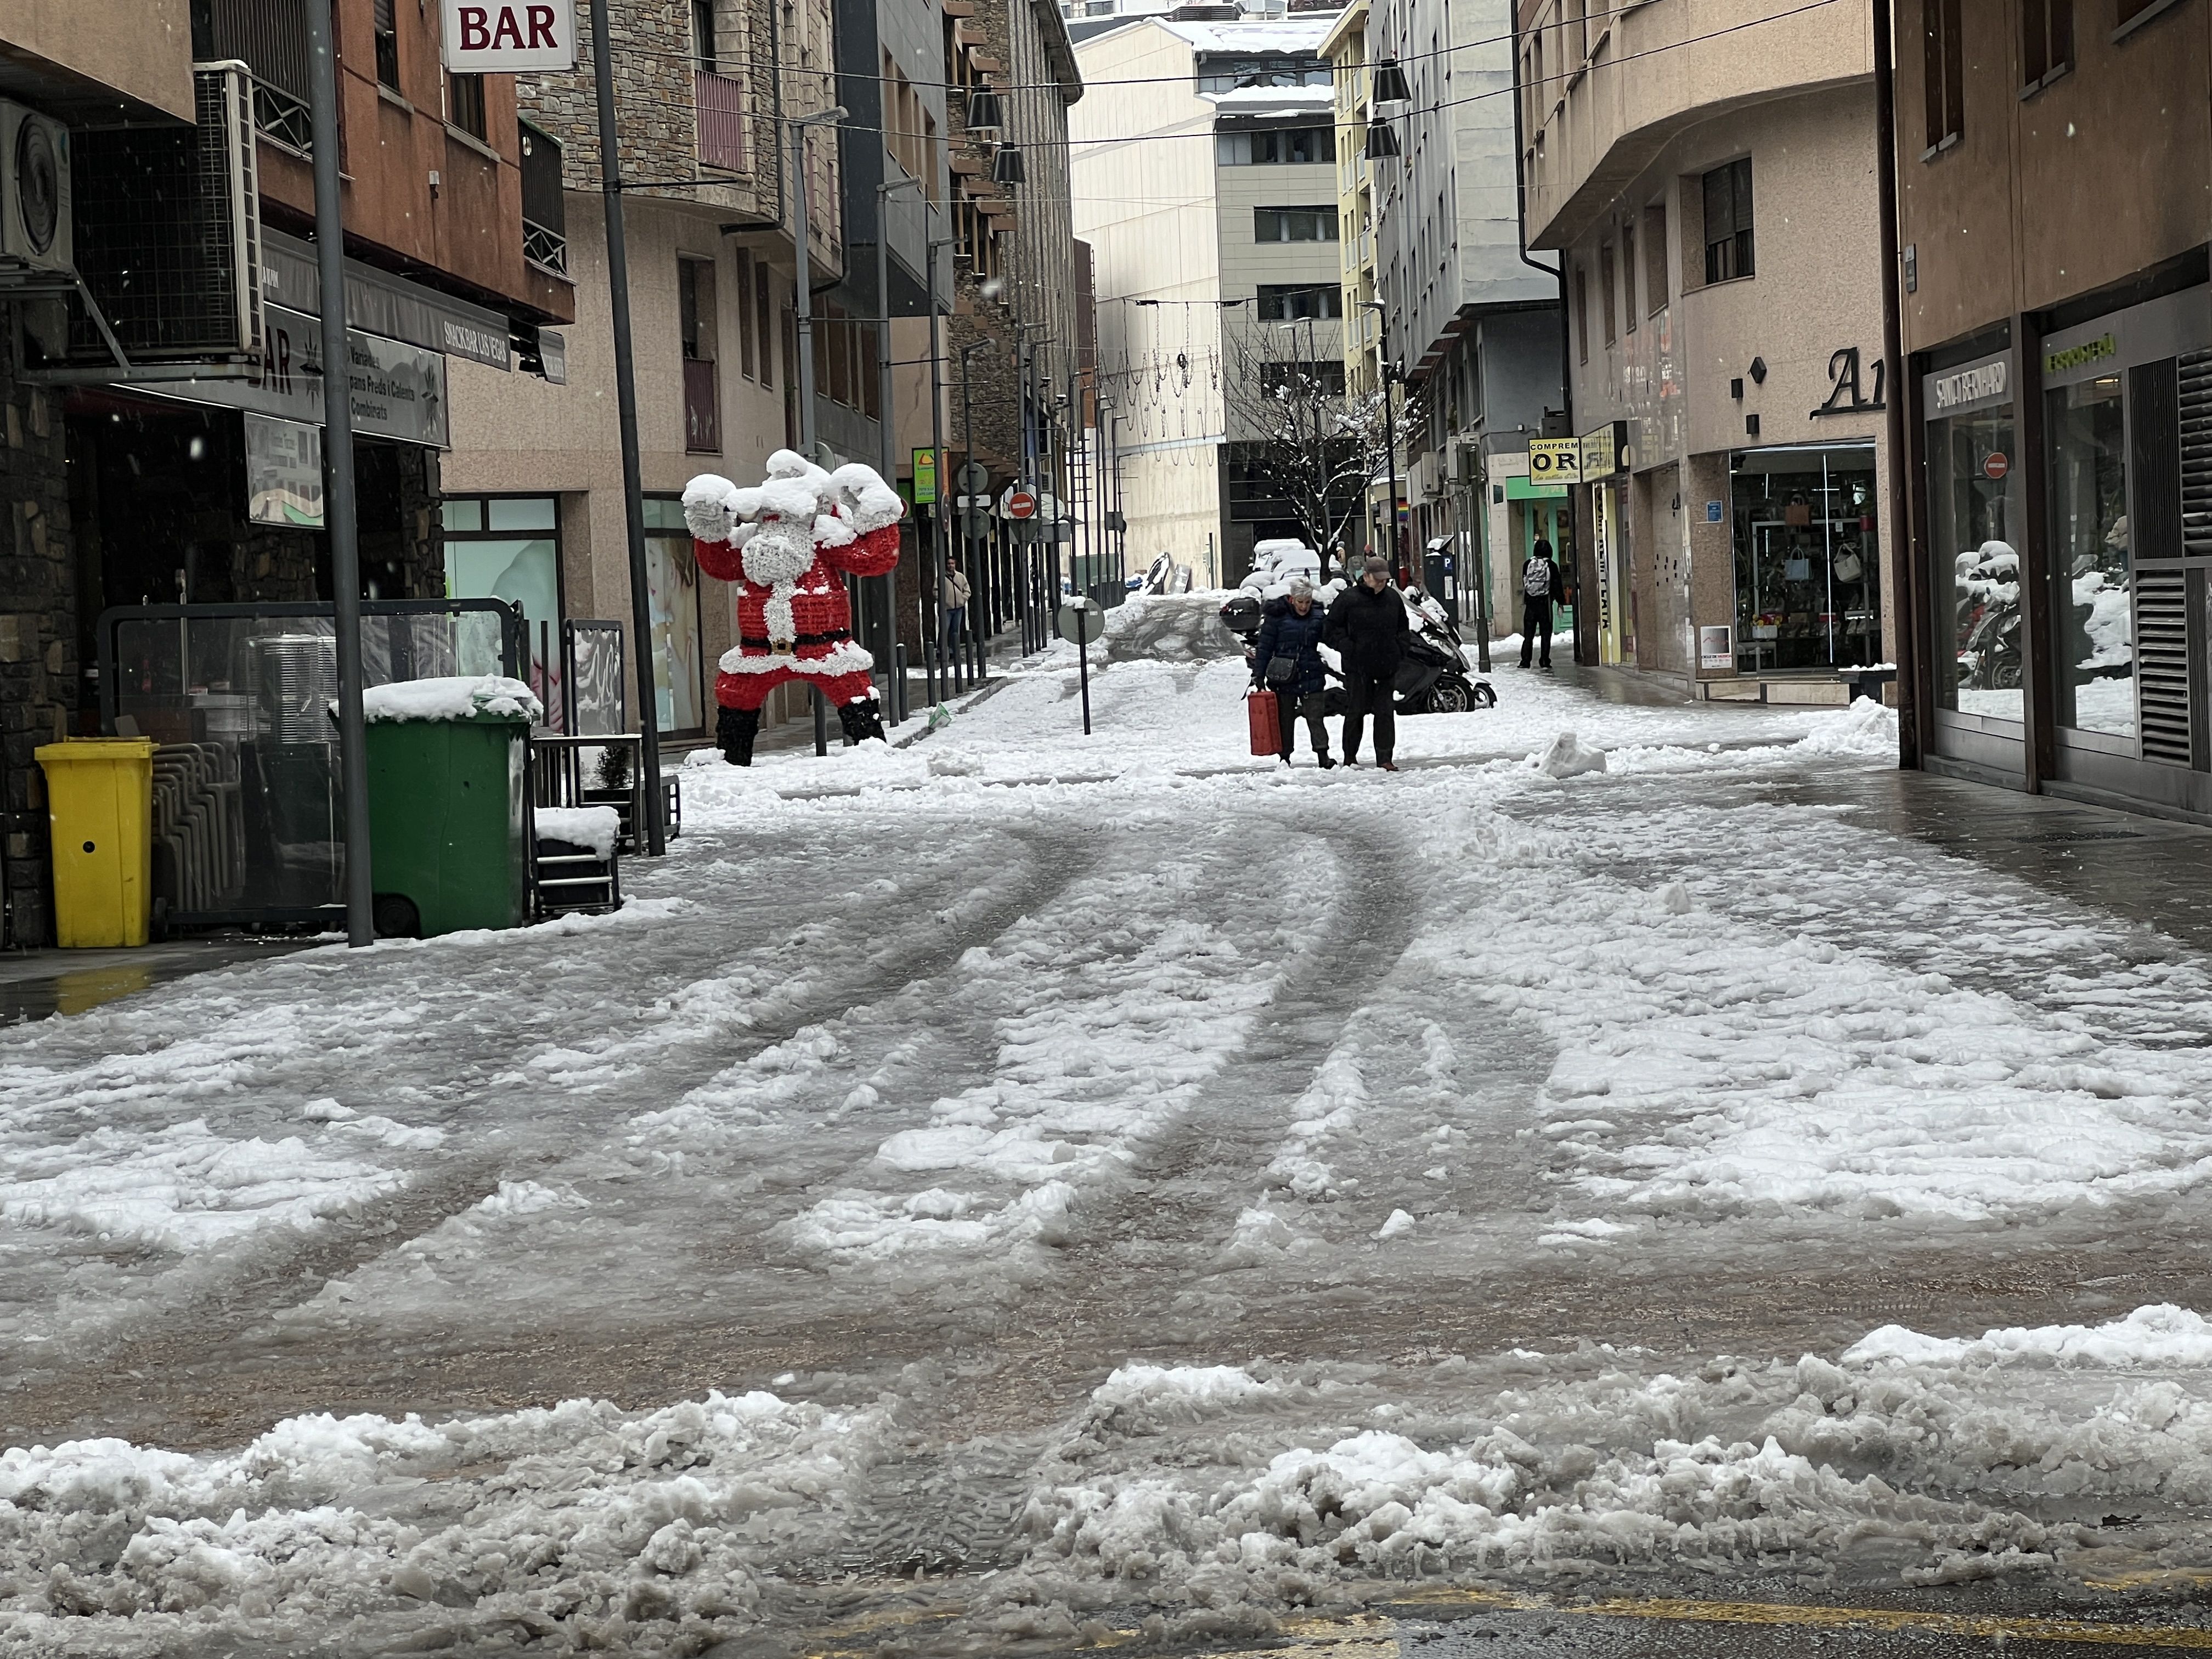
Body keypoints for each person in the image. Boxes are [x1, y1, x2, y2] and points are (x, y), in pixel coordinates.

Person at [1325, 555, 1409, 770]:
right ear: (1366, 576)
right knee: (1356, 711)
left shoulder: (1392, 598)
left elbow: (1403, 627)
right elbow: (1331, 629)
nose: (1381, 583)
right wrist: (1347, 647)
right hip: (1357, 667)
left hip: (1386, 664)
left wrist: (1400, 649)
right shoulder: (1348, 599)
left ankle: (1385, 758)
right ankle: (1350, 757)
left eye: (1385, 580)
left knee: (1385, 712)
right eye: (1378, 579)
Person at [1251, 575, 1334, 768]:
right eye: (1300, 602)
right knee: (1285, 719)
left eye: (1307, 602)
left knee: (1316, 717)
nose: (1304, 606)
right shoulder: (1277, 617)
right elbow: (1265, 647)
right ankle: (1285, 756)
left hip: (1311, 672)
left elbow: (1330, 638)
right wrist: (1259, 674)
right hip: (1284, 675)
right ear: (1292, 599)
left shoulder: (1318, 617)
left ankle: (1323, 754)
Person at [1519, 538, 1564, 670]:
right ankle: (1544, 660)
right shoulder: (1551, 565)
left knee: (1529, 635)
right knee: (1546, 634)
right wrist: (1561, 602)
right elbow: (1557, 585)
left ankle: (1525, 661)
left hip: (1531, 605)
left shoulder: (1527, 564)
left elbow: (1525, 583)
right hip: (1545, 604)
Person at [940, 553, 972, 665]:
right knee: (945, 630)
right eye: (949, 564)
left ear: (955, 564)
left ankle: (954, 651)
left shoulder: (961, 577)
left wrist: (963, 599)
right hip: (947, 608)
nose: (951, 565)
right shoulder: (942, 577)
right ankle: (942, 651)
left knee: (955, 631)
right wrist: (942, 600)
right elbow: (936, 590)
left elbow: (967, 589)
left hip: (958, 608)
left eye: (952, 563)